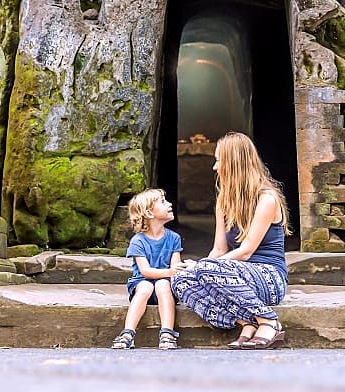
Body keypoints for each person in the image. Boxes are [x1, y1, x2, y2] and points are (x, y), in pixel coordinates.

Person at [170, 132, 290, 350]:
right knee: (180, 280)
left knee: (206, 268)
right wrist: (197, 270)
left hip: (269, 277)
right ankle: (246, 322)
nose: (215, 167)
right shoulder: (224, 201)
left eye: (219, 160)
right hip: (232, 275)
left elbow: (245, 252)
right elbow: (218, 249)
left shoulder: (267, 199)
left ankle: (269, 321)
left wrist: (205, 267)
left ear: (235, 163)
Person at [111, 188, 189, 350]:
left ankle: (167, 333)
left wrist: (178, 270)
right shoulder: (138, 241)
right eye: (162, 202)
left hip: (165, 285)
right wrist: (170, 271)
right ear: (149, 213)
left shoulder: (173, 238)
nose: (169, 204)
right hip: (142, 282)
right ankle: (128, 333)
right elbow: (145, 271)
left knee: (163, 284)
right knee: (146, 286)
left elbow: (175, 268)